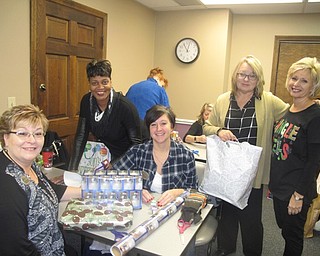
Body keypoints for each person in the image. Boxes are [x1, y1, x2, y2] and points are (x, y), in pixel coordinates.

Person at [203, 55, 289, 256]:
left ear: (258, 79)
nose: (246, 79)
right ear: (236, 75)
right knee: (228, 215)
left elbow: (291, 114)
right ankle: (226, 248)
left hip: (252, 172)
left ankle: (252, 252)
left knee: (250, 218)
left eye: (252, 76)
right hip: (227, 170)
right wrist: (218, 131)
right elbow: (207, 126)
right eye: (242, 74)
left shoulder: (267, 100)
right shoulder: (223, 100)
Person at [0, 104, 81, 255]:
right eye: (22, 133)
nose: (32, 140)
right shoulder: (6, 183)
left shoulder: (28, 165)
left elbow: (51, 190)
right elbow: (16, 249)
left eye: (38, 134)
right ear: (5, 138)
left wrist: (92, 190)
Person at [269, 57, 320, 256]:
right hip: (280, 187)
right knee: (285, 229)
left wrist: (298, 195)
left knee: (293, 237)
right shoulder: (287, 111)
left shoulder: (315, 116)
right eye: (293, 78)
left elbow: (314, 162)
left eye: (304, 81)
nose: (296, 84)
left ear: (313, 86)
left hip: (295, 190)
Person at [111, 104, 197, 205]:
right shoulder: (137, 152)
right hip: (142, 210)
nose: (158, 129)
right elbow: (112, 177)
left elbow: (193, 191)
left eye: (163, 123)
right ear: (149, 129)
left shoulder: (185, 156)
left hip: (173, 213)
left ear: (172, 127)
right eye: (153, 125)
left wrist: (177, 192)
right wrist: (135, 189)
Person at [68, 59, 141, 171]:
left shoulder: (124, 106)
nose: (100, 87)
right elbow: (81, 136)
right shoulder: (86, 101)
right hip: (110, 154)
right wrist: (72, 169)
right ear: (89, 84)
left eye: (104, 82)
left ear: (110, 82)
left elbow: (137, 144)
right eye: (94, 83)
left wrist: (114, 164)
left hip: (132, 157)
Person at [126, 67, 170, 141]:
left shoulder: (133, 87)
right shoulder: (160, 90)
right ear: (160, 80)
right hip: (146, 131)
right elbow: (167, 115)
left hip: (127, 130)